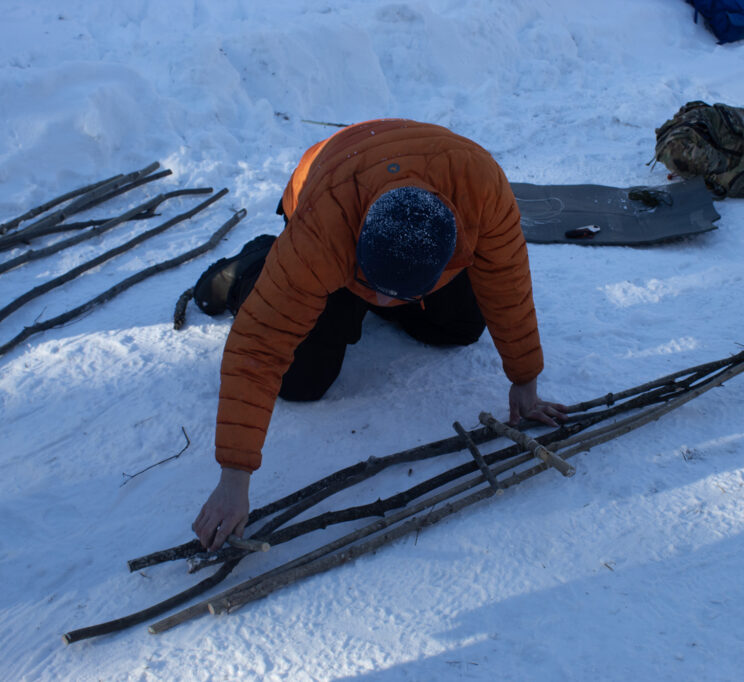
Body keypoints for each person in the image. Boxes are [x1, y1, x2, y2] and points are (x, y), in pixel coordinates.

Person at [192, 119, 566, 551]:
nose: (388, 306)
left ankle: (386, 287)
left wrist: (525, 381)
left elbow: (508, 283)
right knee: (302, 380)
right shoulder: (320, 230)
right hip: (329, 184)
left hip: (415, 191)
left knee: (461, 326)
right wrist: (234, 477)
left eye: (397, 297)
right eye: (380, 294)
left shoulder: (481, 191)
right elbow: (261, 342)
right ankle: (256, 264)